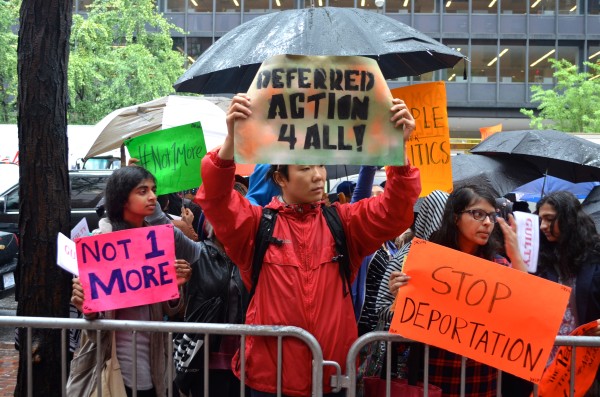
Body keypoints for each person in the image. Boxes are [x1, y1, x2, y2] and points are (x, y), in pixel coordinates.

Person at [194, 93, 421, 396]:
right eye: (304, 169)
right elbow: (216, 199)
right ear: (280, 178)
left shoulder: (345, 222)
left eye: (320, 166)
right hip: (266, 381)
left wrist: (398, 149)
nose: (317, 176)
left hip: (333, 378)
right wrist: (231, 139)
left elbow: (396, 210)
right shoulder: (254, 225)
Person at [70, 166, 195, 397]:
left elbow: (172, 309)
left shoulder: (157, 243)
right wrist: (84, 304)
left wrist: (177, 285)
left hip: (154, 363)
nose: (153, 196)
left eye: (154, 190)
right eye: (143, 191)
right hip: (113, 367)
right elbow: (92, 316)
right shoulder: (99, 245)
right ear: (122, 198)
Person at [403, 185, 526, 397]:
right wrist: (401, 295)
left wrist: (517, 258)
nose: (487, 223)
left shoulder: (500, 266)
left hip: (481, 382)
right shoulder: (427, 262)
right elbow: (402, 326)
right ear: (455, 217)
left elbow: (526, 314)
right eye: (478, 214)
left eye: (491, 215)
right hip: (433, 379)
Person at [513, 191, 600, 397]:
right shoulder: (537, 261)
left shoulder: (596, 258)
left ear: (569, 219)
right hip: (543, 365)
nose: (543, 226)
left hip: (586, 365)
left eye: (550, 219)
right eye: (541, 219)